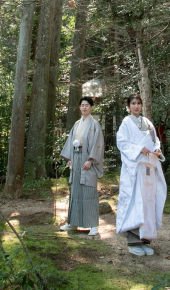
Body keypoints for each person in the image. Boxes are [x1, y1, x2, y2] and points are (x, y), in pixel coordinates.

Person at [115, 94, 167, 256]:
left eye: (138, 103)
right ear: (128, 106)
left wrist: (157, 149)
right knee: (135, 201)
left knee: (149, 202)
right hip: (135, 169)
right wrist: (139, 149)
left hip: (149, 168)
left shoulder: (148, 123)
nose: (136, 106)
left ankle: (145, 240)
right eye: (133, 104)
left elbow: (155, 140)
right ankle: (133, 241)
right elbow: (122, 143)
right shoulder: (126, 122)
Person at [60, 96, 105, 236]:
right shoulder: (76, 124)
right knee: (75, 190)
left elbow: (98, 144)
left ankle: (92, 225)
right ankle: (73, 223)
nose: (84, 107)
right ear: (79, 108)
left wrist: (91, 160)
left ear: (91, 107)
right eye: (82, 105)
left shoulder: (94, 124)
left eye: (87, 105)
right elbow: (71, 142)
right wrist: (71, 159)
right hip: (76, 157)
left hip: (88, 160)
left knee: (89, 191)